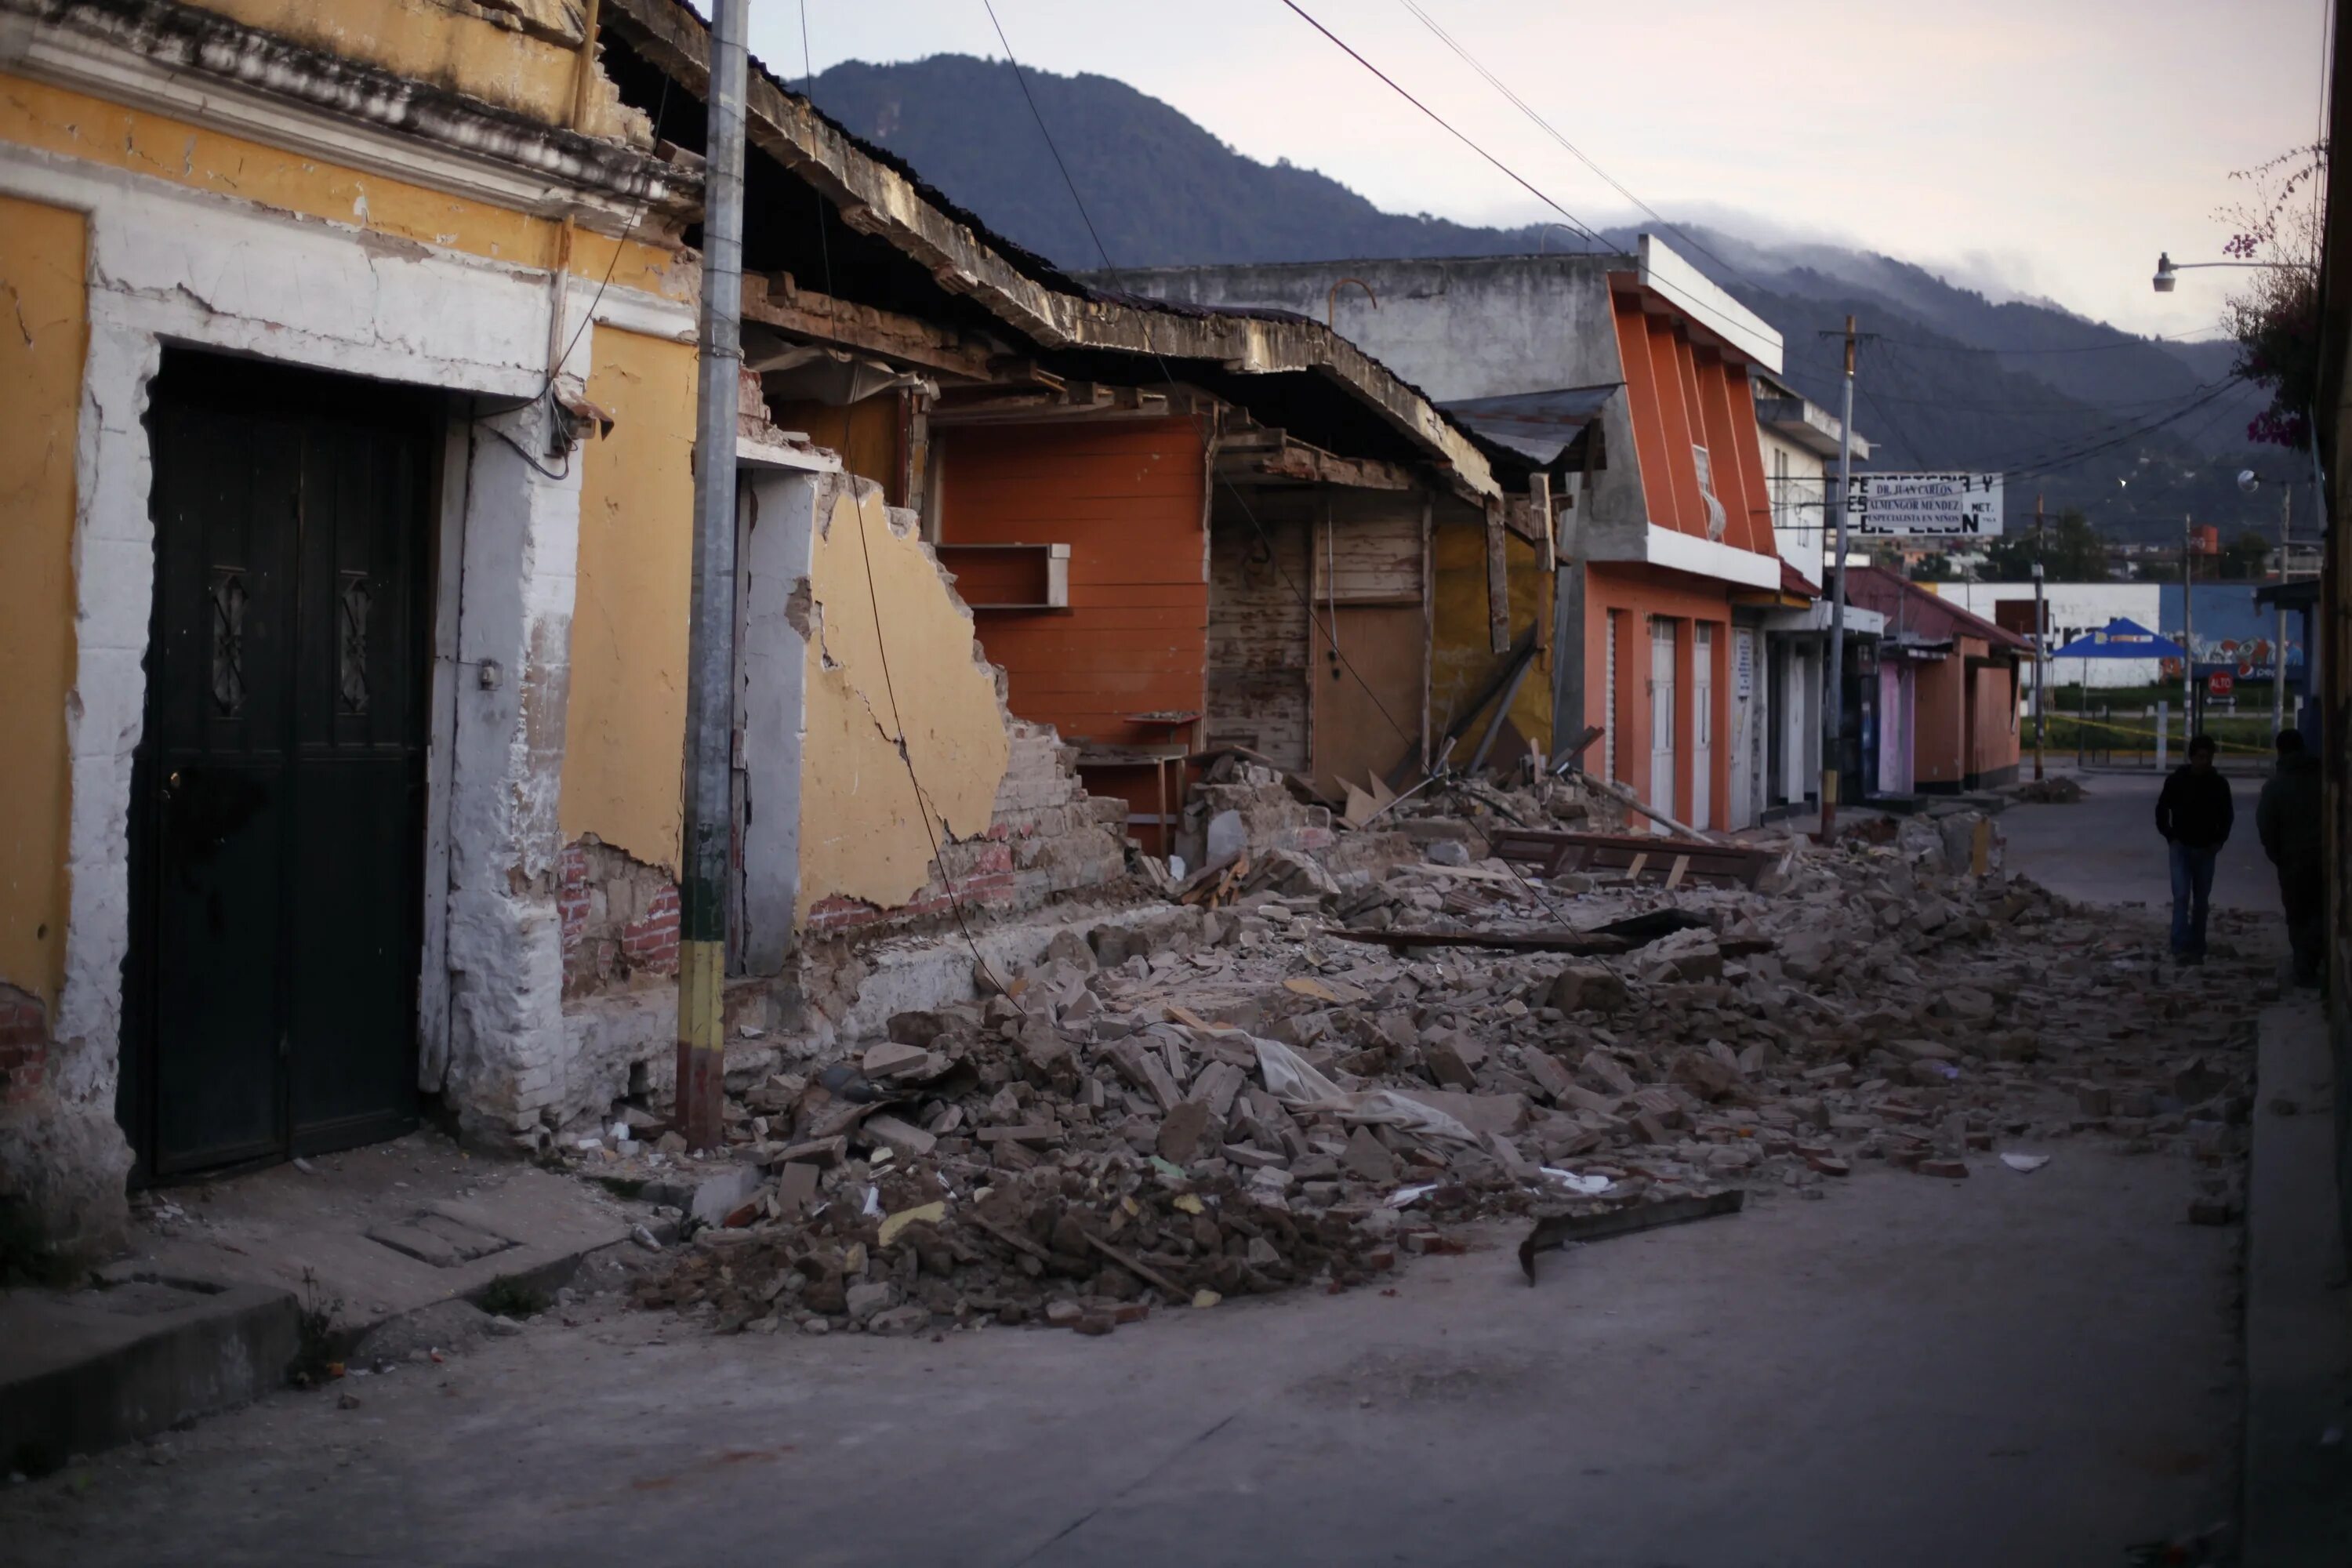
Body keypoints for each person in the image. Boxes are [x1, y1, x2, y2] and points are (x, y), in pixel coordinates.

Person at [2256, 728, 2325, 987]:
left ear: (2280, 751)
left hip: (2293, 861)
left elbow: (2266, 827)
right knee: (2321, 909)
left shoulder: (2276, 786)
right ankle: (2314, 956)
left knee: (2298, 914)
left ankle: (2304, 966)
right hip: (2322, 857)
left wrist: (2278, 856)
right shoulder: (2322, 778)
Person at [2155, 733, 2232, 963]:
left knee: (2201, 900)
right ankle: (2179, 945)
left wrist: (2219, 841)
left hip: (2206, 849)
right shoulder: (2177, 781)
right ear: (2192, 757)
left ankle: (2197, 945)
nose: (2204, 762)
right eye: (2200, 757)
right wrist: (2170, 836)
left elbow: (2227, 816)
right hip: (2180, 847)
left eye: (2208, 758)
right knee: (2181, 896)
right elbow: (2161, 809)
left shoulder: (2218, 784)